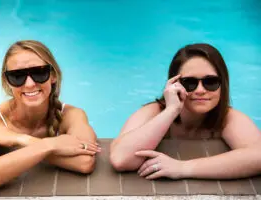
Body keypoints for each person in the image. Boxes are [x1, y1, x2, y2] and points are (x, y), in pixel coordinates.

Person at [0, 40, 101, 195]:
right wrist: (50, 145)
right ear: (7, 82)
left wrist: (18, 139)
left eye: (39, 73)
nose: (29, 84)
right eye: (17, 76)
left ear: (53, 76)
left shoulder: (70, 115)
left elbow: (85, 162)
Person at [110, 43, 261, 180]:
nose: (200, 90)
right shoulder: (154, 112)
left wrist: (182, 168)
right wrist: (171, 110)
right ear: (174, 84)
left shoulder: (227, 118)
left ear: (223, 84)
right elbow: (120, 159)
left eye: (210, 82)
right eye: (190, 83)